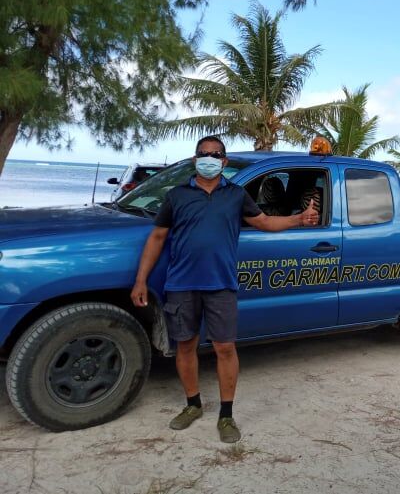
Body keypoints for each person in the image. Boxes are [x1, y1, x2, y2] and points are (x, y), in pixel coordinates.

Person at [130, 136, 319, 443]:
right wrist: (141, 280)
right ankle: (192, 405)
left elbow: (265, 222)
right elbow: (157, 238)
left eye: (215, 154)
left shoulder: (236, 195)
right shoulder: (176, 196)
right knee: (185, 346)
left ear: (224, 161)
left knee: (224, 349)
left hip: (221, 284)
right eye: (203, 154)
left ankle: (226, 415)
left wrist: (298, 219)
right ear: (195, 160)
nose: (209, 159)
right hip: (181, 284)